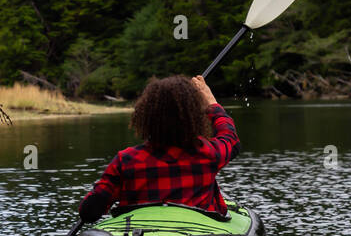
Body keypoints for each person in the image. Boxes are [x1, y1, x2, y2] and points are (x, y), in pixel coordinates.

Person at [78, 74, 239, 222]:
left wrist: (101, 195)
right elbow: (230, 139)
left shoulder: (127, 160)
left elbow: (89, 212)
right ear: (195, 117)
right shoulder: (207, 153)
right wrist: (212, 102)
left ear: (146, 117)